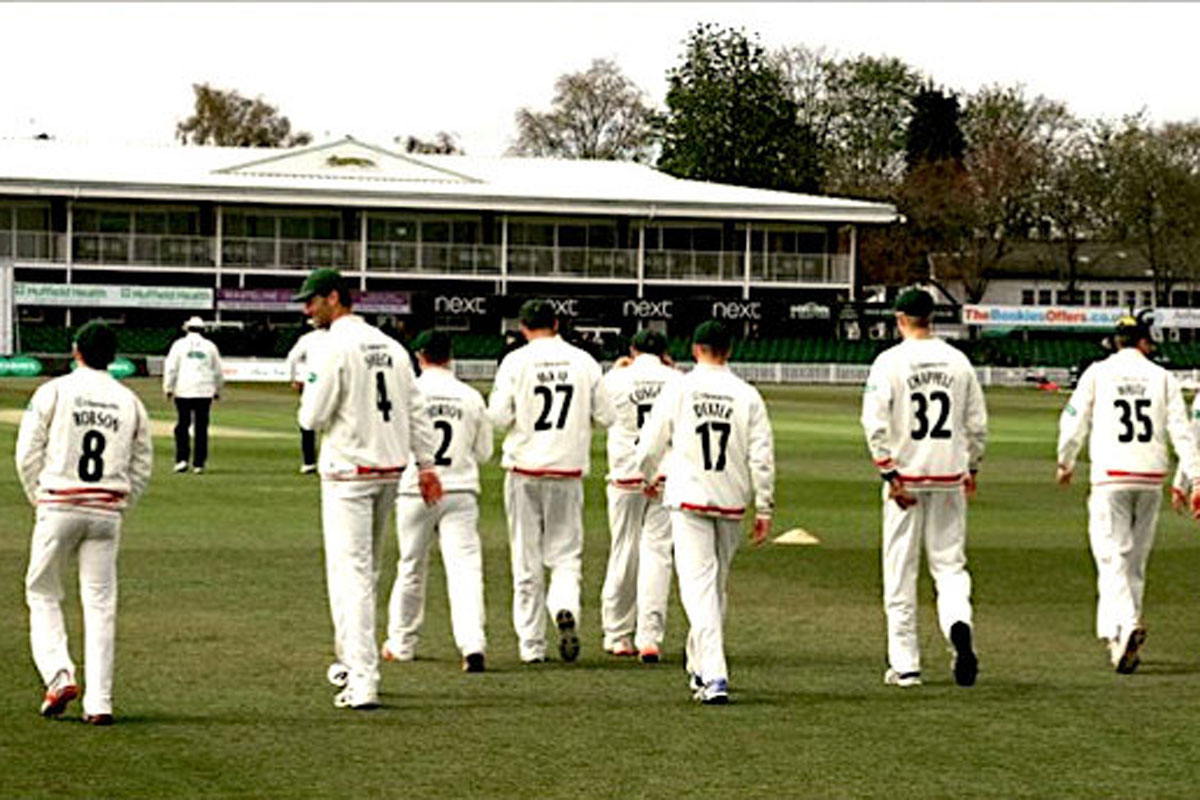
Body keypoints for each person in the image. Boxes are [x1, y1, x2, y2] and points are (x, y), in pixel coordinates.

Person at [294, 268, 443, 709]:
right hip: (389, 470)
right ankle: (350, 660)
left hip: (349, 473)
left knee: (352, 575)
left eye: (312, 300)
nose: (307, 310)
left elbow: (311, 417)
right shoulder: (393, 347)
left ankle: (362, 678)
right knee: (366, 571)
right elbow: (416, 410)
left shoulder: (331, 347)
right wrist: (427, 464)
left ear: (334, 298)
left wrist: (309, 396)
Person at [16, 320, 153, 725]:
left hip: (58, 503)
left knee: (42, 592)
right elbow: (142, 463)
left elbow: (27, 453)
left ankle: (59, 675)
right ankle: (100, 702)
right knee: (100, 604)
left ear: (76, 350)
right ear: (113, 356)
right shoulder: (129, 401)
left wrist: (39, 497)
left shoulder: (54, 391)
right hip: (106, 510)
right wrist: (121, 504)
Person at [635, 320, 774, 705]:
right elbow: (762, 457)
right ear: (729, 350)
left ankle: (714, 673)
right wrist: (764, 506)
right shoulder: (747, 394)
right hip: (730, 498)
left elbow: (649, 443)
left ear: (696, 349)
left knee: (699, 589)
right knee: (714, 587)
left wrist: (647, 475)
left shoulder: (679, 388)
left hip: (689, 497)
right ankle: (699, 665)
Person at [1057, 312, 1200, 674]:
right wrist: (1196, 479)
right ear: (1144, 342)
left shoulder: (1098, 372)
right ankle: (1118, 640)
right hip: (1150, 477)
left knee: (1111, 558)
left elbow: (1073, 419)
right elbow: (1182, 432)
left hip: (1111, 476)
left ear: (1116, 341)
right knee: (1134, 563)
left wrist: (1065, 460)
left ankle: (1127, 621)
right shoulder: (1163, 377)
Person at [860, 288, 987, 689]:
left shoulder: (889, 361)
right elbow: (977, 424)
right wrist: (972, 466)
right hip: (949, 475)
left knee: (900, 571)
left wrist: (888, 473)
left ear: (900, 319)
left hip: (907, 479)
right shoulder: (958, 361)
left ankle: (906, 665)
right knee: (950, 566)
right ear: (932, 318)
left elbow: (874, 423)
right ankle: (958, 624)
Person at [487, 299, 615, 663]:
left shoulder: (515, 361)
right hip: (567, 470)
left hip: (524, 469)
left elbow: (497, 417)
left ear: (523, 327)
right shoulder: (583, 361)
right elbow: (607, 416)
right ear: (557, 323)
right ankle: (565, 606)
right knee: (566, 555)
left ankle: (531, 646)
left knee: (525, 560)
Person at [382, 330, 493, 672]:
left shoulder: (408, 392)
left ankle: (401, 643)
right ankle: (472, 644)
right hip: (460, 490)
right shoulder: (471, 396)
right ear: (451, 356)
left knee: (411, 566)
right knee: (465, 570)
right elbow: (484, 452)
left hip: (415, 488)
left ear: (419, 356)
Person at [599, 328, 679, 662]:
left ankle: (618, 635)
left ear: (632, 351)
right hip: (664, 475)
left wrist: (615, 371)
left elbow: (600, 415)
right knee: (658, 554)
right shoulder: (678, 381)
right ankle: (650, 638)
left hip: (625, 474)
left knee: (623, 551)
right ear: (664, 353)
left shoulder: (616, 379)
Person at [162, 316, 223, 474]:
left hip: (184, 390)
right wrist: (217, 389)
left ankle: (182, 460)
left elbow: (171, 367)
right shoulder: (210, 346)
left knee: (183, 425)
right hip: (204, 391)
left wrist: (168, 387)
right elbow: (218, 370)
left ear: (188, 329)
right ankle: (199, 463)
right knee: (201, 427)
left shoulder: (179, 345)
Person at [285, 322, 329, 474]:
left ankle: (309, 462)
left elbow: (292, 358)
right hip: (336, 379)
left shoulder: (308, 338)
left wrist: (294, 379)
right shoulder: (341, 337)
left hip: (313, 379)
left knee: (307, 420)